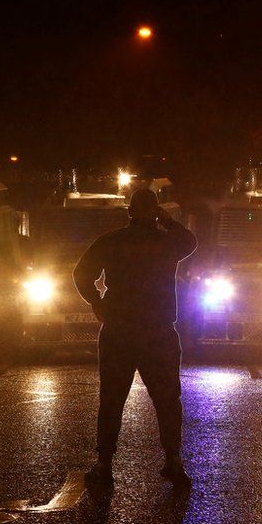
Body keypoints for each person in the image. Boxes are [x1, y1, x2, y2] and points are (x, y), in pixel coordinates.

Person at [73, 188, 197, 487]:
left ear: (129, 212)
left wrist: (97, 302)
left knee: (112, 399)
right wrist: (167, 221)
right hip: (158, 331)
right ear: (155, 212)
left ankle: (104, 463)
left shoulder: (111, 241)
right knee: (167, 399)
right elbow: (190, 242)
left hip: (119, 330)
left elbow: (80, 274)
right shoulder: (167, 242)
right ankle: (173, 460)